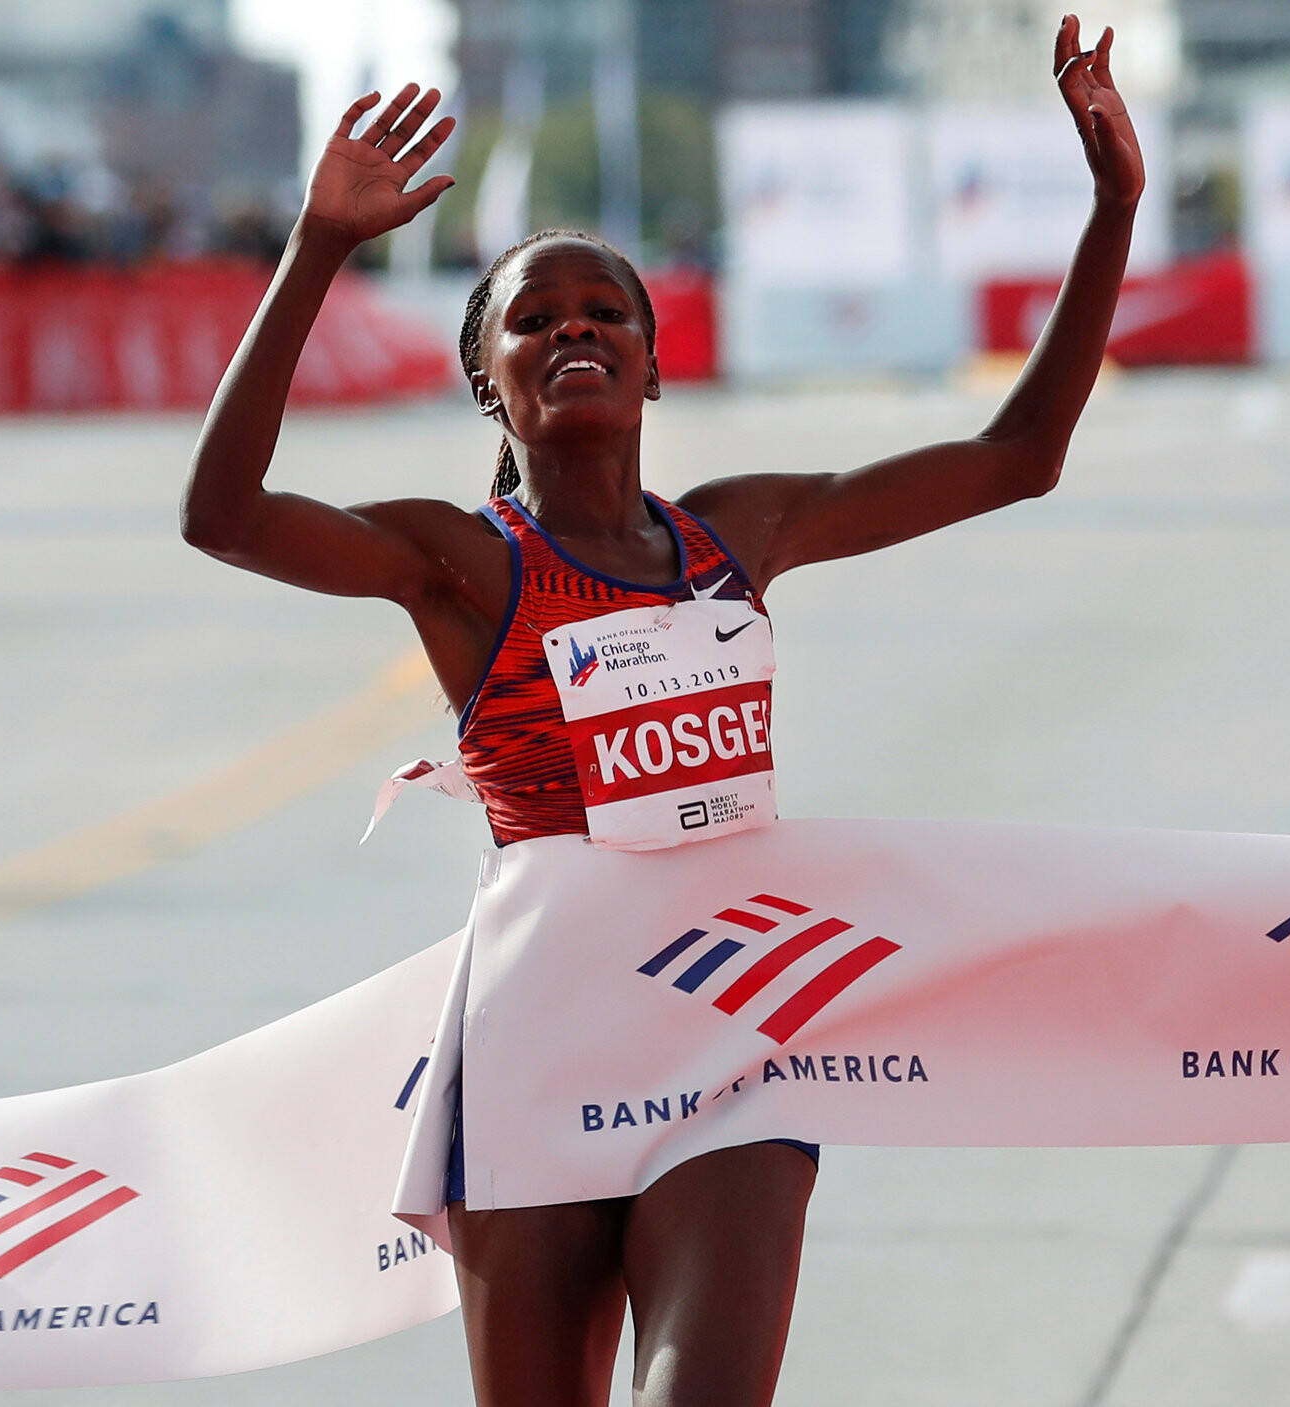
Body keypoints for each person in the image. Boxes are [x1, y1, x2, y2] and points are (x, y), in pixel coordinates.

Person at [180, 16, 1142, 1406]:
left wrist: (1113, 209)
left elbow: (1018, 455)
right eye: (533, 319)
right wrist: (319, 247)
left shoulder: (740, 534)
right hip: (541, 1035)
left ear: (650, 363)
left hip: (730, 1027)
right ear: (489, 382)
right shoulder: (461, 563)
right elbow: (223, 516)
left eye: (604, 312)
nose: (572, 326)